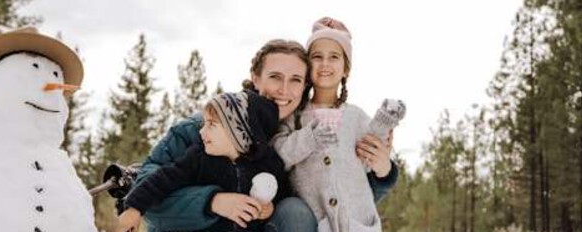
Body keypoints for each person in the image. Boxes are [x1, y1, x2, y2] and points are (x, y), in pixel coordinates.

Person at [133, 39, 398, 232]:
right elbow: (144, 189)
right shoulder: (205, 128)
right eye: (274, 77)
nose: (284, 90)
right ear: (255, 78)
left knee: (295, 210)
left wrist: (382, 173)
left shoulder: (303, 136)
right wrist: (212, 201)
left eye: (295, 80)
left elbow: (337, 197)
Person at [272, 17, 398, 232]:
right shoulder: (294, 116)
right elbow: (278, 154)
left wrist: (382, 164)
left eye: (334, 57)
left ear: (345, 69)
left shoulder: (356, 117)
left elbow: (375, 160)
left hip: (358, 221)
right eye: (317, 57)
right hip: (314, 221)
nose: (325, 64)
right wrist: (309, 139)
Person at [118, 91, 287, 231]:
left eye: (211, 125)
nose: (201, 132)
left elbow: (283, 188)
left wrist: (270, 206)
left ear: (239, 134)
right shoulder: (199, 158)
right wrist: (135, 208)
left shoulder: (266, 164)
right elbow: (162, 180)